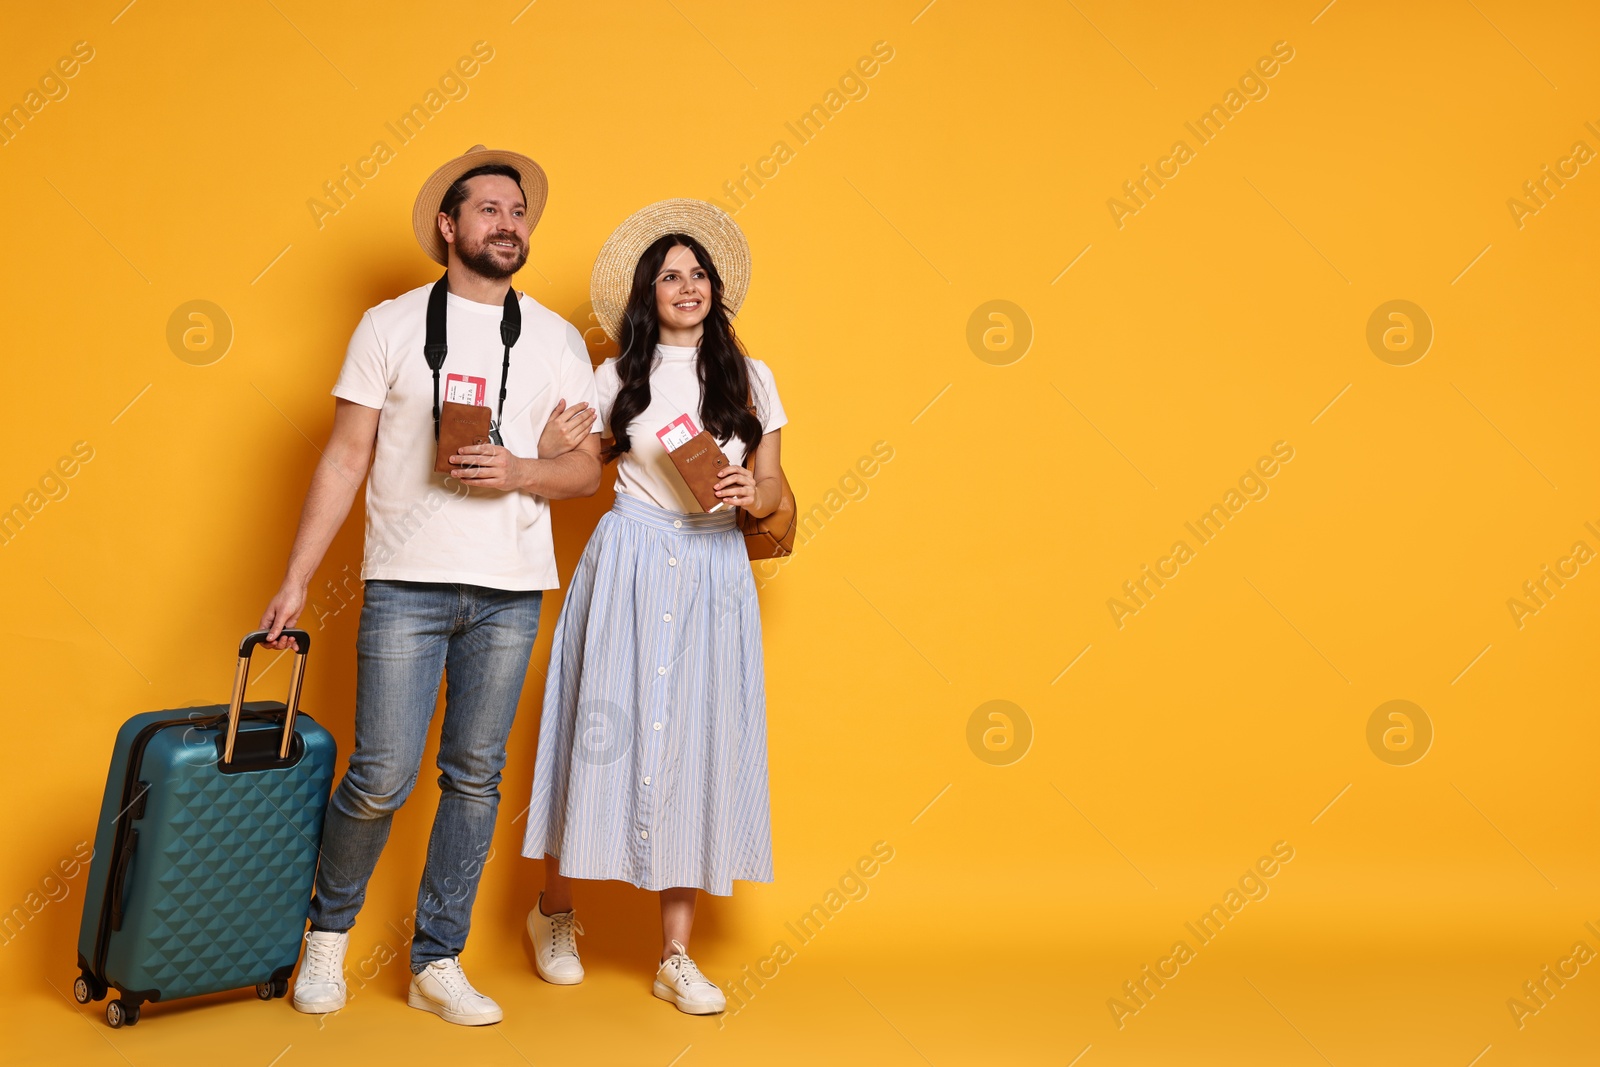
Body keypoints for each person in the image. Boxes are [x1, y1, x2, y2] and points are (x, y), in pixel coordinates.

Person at [258, 145, 602, 1026]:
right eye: (489, 210)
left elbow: (584, 472)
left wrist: (523, 467)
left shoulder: (557, 338)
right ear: (449, 228)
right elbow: (344, 456)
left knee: (476, 779)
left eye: (518, 212)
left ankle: (437, 959)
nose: (508, 224)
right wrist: (296, 578)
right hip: (404, 584)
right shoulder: (390, 325)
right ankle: (325, 938)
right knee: (380, 775)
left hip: (511, 588)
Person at [520, 199, 785, 1015]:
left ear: (716, 289)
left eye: (698, 274)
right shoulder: (615, 378)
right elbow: (575, 468)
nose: (687, 285)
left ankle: (677, 953)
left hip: (713, 567)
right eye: (671, 275)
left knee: (698, 742)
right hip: (630, 562)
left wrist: (752, 491)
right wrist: (554, 441)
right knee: (599, 729)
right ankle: (554, 913)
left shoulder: (752, 376)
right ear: (648, 291)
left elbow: (777, 489)